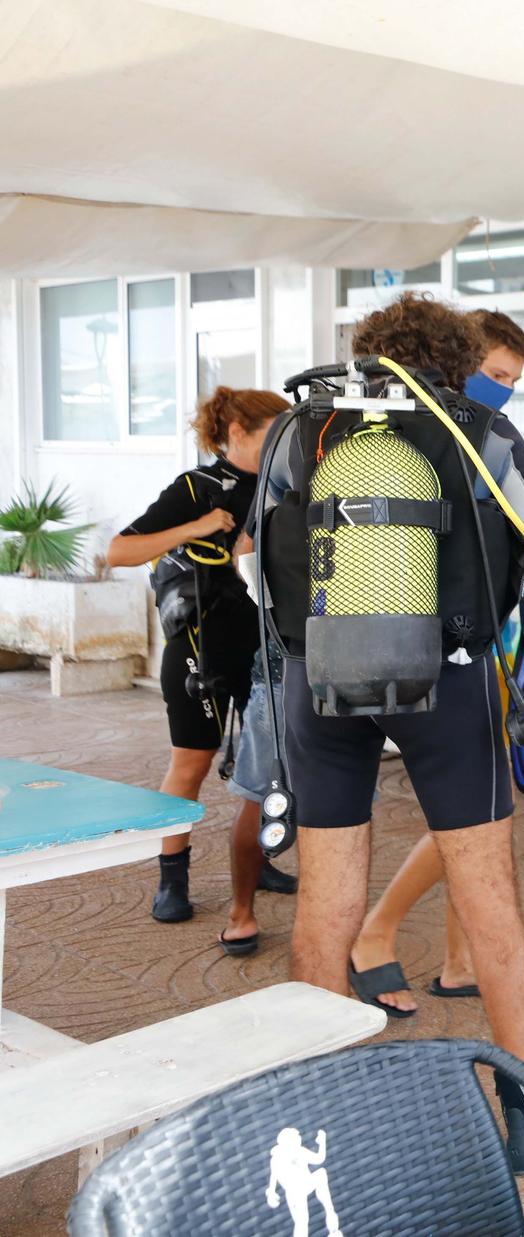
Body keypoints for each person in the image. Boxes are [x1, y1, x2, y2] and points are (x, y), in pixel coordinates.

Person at [262, 294, 524, 1172]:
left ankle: (312, 1116)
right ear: (457, 358)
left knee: (325, 900)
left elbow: (263, 556)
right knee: (487, 889)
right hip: (447, 678)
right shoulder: (476, 431)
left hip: (317, 678)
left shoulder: (296, 428)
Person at [345, 309, 524, 1014]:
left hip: (480, 635)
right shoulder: (438, 433)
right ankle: (377, 930)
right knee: (472, 818)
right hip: (435, 647)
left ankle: (462, 960)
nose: (503, 392)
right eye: (494, 375)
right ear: (458, 362)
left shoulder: (465, 432)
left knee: (481, 816)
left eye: (514, 382)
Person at [107, 387, 295, 953]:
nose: (282, 447)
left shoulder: (280, 486)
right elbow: (119, 551)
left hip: (261, 642)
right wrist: (195, 527)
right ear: (237, 429)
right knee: (190, 764)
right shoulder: (197, 487)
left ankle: (254, 860)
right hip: (200, 647)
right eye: (273, 435)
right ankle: (172, 880)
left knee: (270, 764)